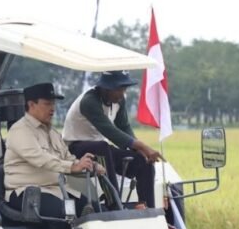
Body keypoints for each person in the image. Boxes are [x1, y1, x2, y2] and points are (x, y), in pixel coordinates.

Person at [4, 82, 104, 229]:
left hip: (55, 190)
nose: (52, 108)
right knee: (63, 216)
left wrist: (88, 166)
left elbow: (68, 159)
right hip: (25, 192)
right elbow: (41, 159)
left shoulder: (52, 132)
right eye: (47, 103)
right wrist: (72, 166)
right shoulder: (20, 131)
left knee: (93, 208)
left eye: (54, 103)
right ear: (31, 104)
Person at [62, 70, 164, 208]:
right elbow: (110, 132)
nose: (122, 93)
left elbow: (124, 126)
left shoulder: (119, 100)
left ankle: (146, 206)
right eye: (118, 89)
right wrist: (143, 146)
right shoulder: (89, 101)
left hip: (100, 148)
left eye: (124, 89)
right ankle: (114, 203)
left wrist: (139, 150)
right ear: (106, 88)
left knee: (143, 161)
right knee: (102, 147)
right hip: (75, 149)